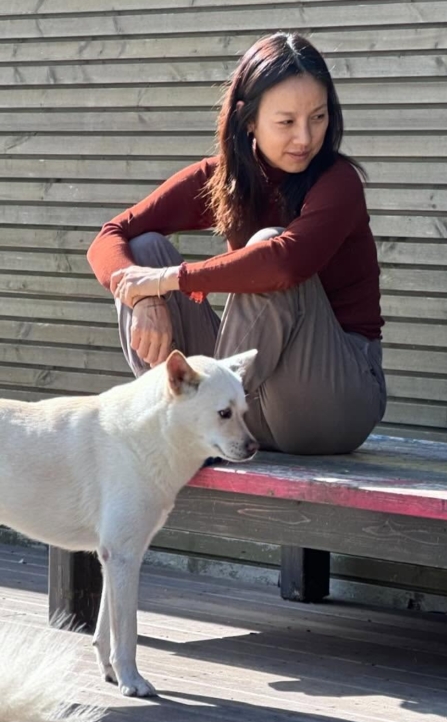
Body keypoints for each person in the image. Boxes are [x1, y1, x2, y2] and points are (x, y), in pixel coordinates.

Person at [87, 32, 385, 456]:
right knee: (144, 249)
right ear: (248, 120)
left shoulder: (337, 182)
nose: (305, 137)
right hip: (249, 405)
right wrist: (144, 298)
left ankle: (197, 417)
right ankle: (178, 423)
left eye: (317, 118)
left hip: (332, 397)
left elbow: (285, 264)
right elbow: (110, 236)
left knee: (267, 249)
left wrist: (170, 279)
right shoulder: (223, 179)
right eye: (286, 122)